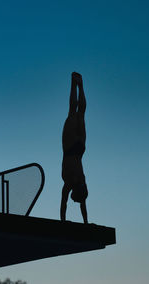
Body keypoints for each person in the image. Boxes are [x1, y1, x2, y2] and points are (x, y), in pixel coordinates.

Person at [60, 72, 88, 224]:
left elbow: (82, 205)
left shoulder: (82, 183)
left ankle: (80, 85)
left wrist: (85, 221)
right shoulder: (70, 183)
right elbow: (63, 203)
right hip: (70, 149)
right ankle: (74, 83)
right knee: (74, 112)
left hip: (79, 149)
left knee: (80, 114)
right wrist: (63, 221)